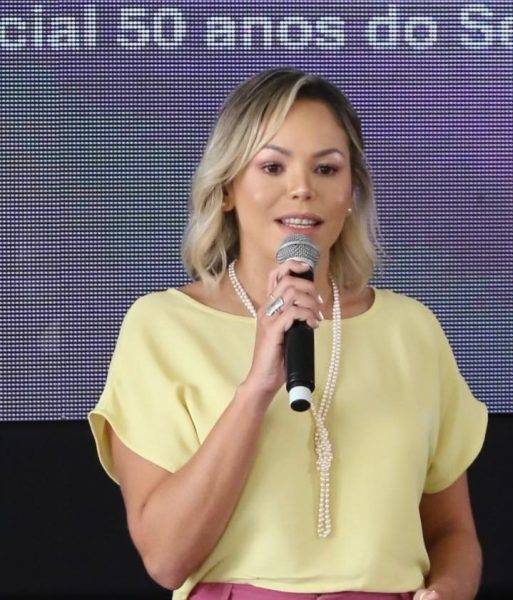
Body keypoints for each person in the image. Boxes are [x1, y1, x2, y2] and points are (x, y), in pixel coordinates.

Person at [87, 68, 489, 600]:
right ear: (226, 189)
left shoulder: (410, 330)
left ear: (351, 192)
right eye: (273, 166)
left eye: (326, 169)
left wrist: (449, 591)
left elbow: (451, 533)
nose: (302, 189)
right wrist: (256, 388)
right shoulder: (162, 326)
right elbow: (165, 558)